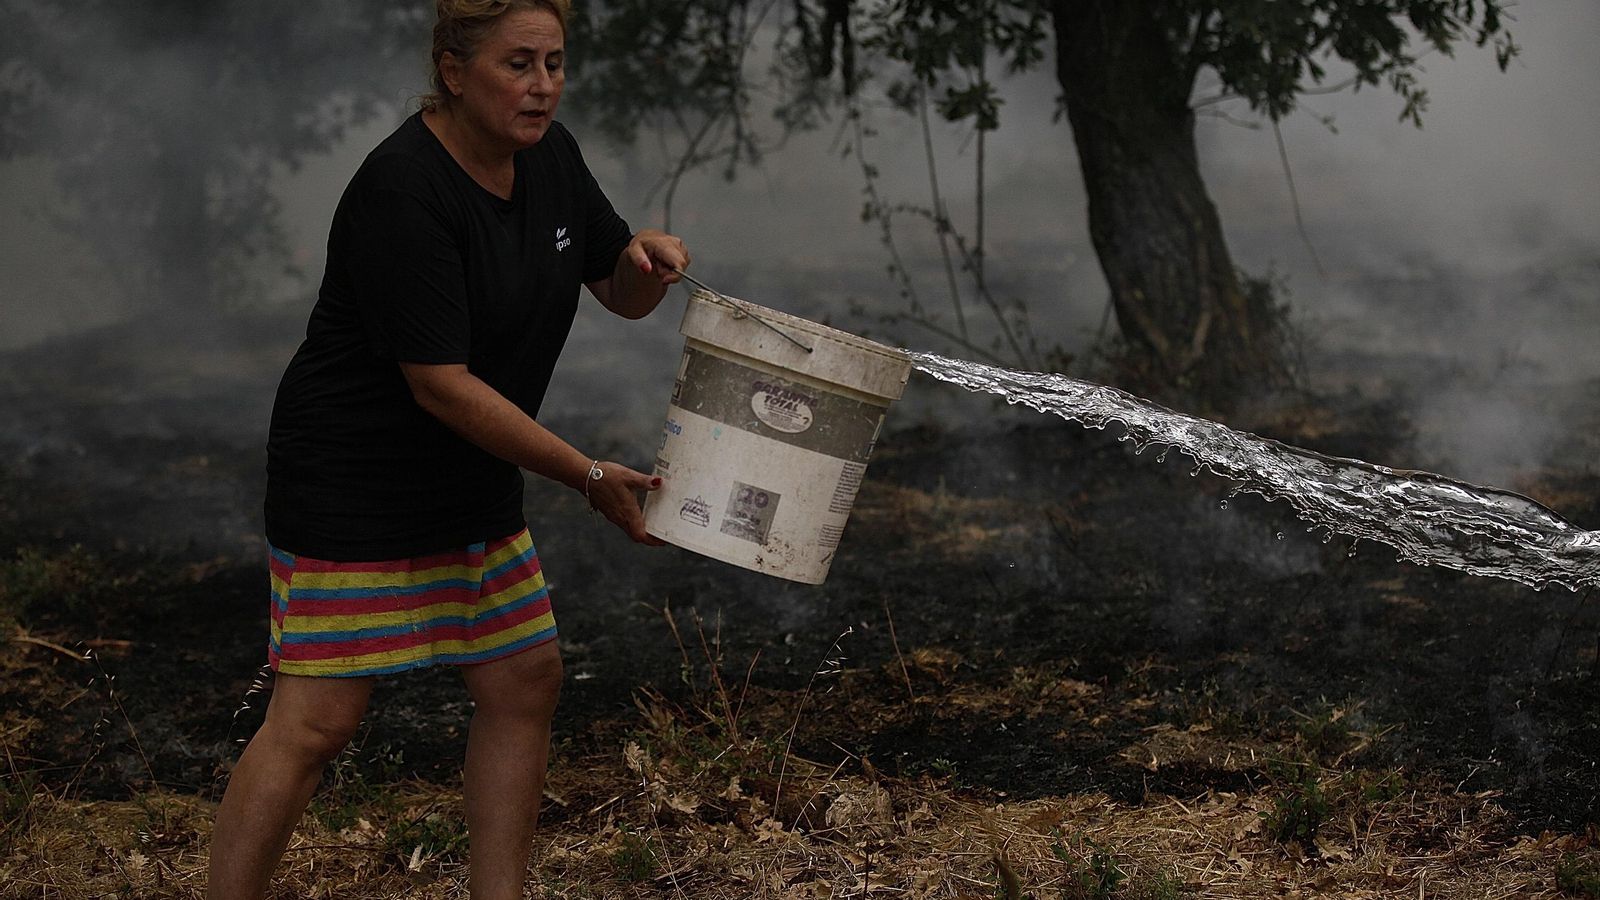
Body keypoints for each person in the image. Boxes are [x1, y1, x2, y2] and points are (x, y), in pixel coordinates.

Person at [205, 1, 688, 897]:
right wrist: (584, 475)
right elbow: (440, 382)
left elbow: (619, 289)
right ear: (454, 70)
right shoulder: (403, 187)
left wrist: (642, 261)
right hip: (355, 477)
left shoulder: (552, 157)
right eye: (518, 64)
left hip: (466, 475)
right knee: (316, 721)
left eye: (554, 63)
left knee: (523, 678)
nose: (542, 86)